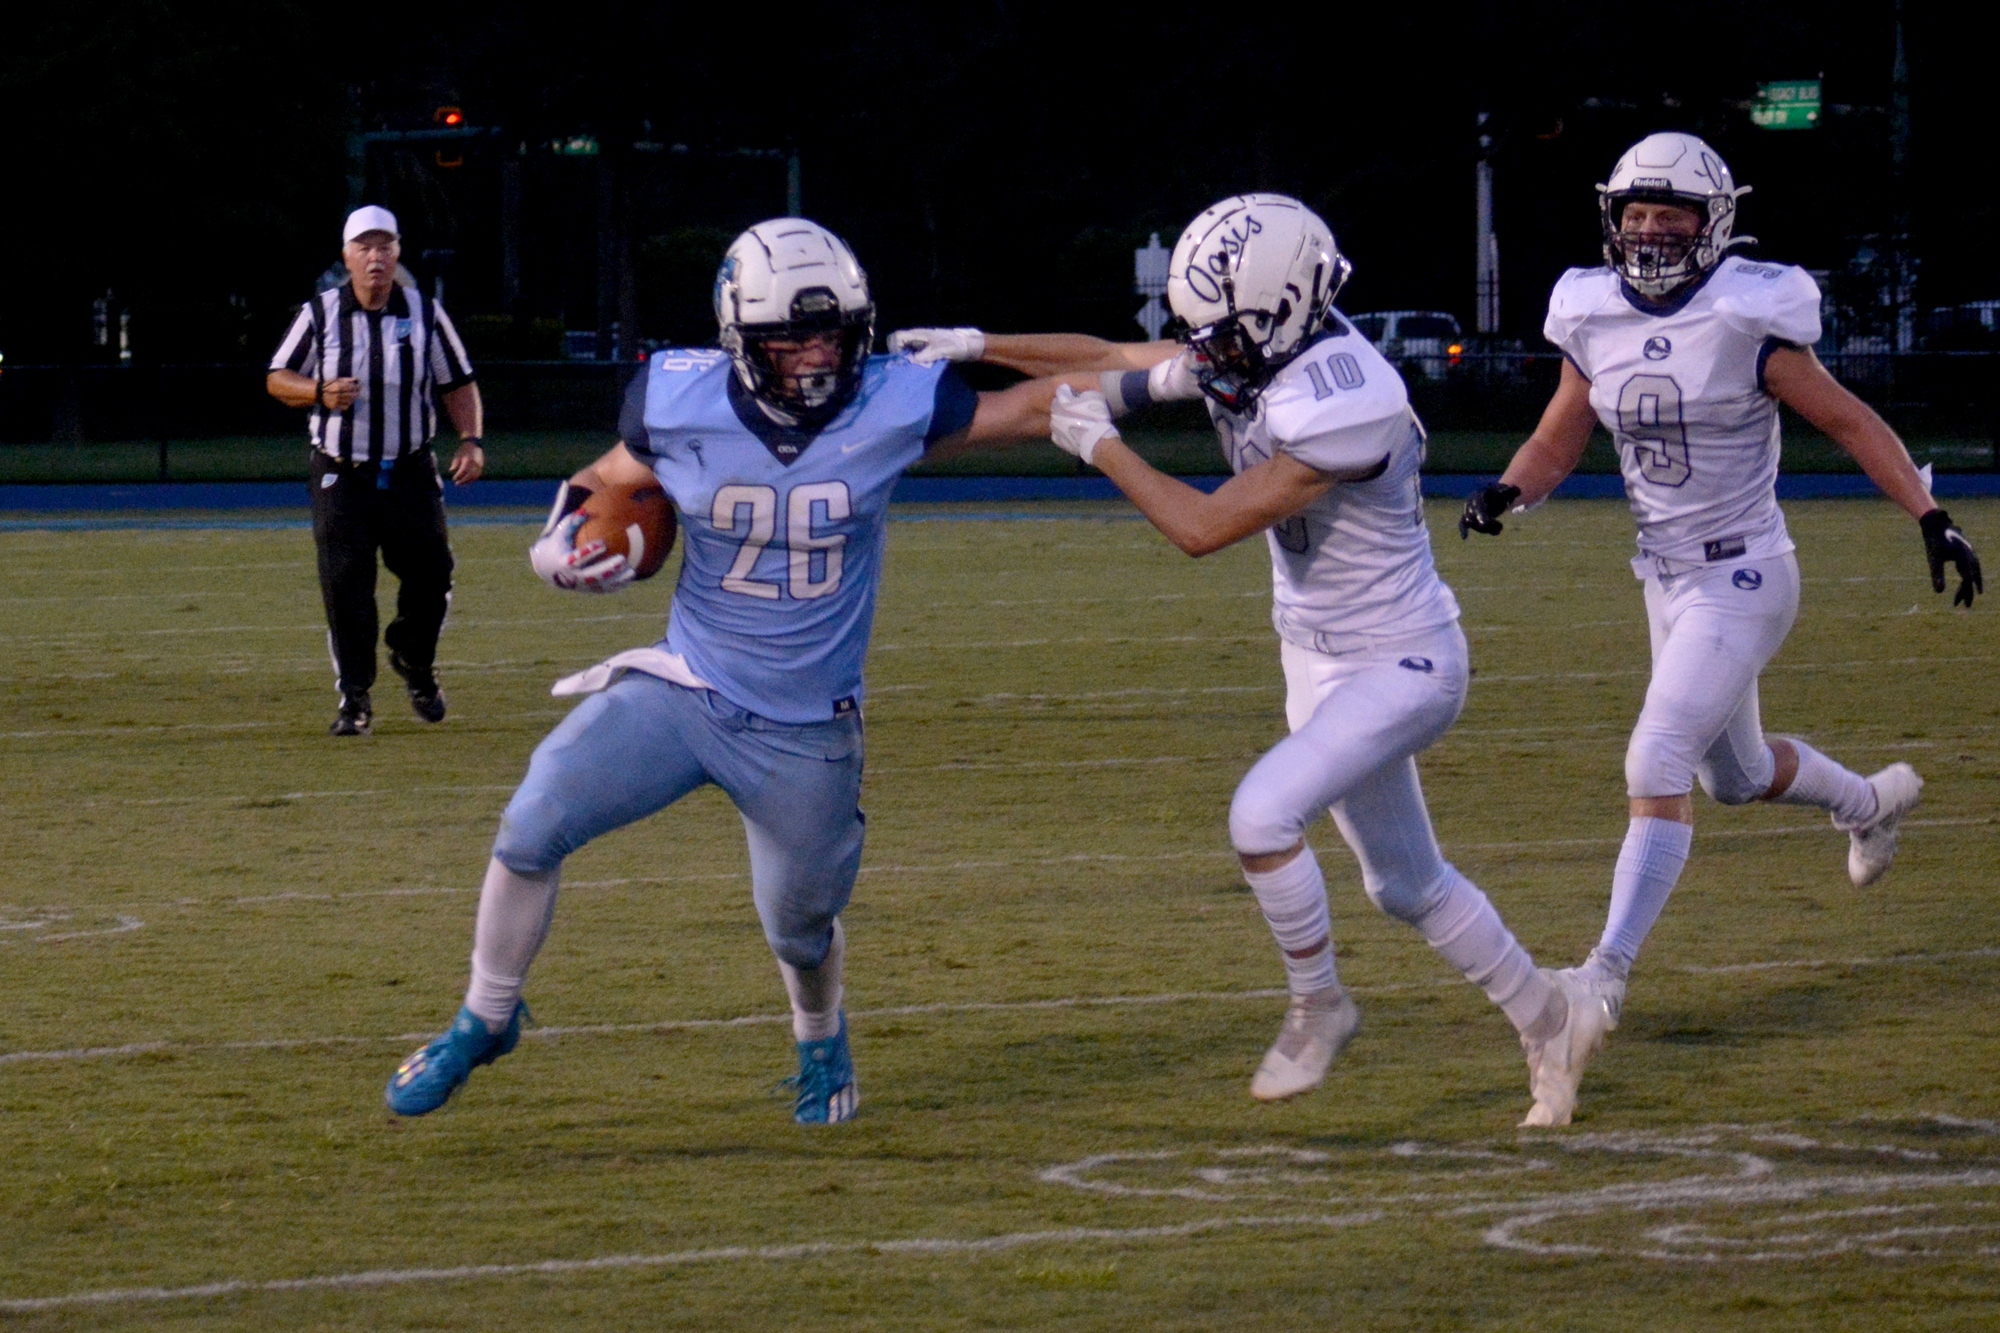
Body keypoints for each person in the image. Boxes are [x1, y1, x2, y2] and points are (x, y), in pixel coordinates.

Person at [893, 194, 1611, 1127]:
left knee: (1263, 817)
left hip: (1403, 661)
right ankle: (1553, 1016)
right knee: (1405, 883)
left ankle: (1322, 1004)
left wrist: (1103, 448)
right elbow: (1110, 360)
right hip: (1316, 658)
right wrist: (972, 346)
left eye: (1222, 333)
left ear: (1283, 309)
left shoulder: (1348, 398)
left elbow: (1201, 527)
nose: (1206, 352)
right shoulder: (1260, 342)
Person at [384, 218, 1077, 1124]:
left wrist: (1175, 373)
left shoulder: (894, 401)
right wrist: (559, 537)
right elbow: (605, 477)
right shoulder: (678, 397)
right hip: (687, 685)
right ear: (743, 339)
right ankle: (485, 1015)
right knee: (531, 819)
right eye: (792, 337)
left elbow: (1038, 406)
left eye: (831, 333)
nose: (817, 356)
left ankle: (819, 1034)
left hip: (806, 727)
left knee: (799, 924)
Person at [1457, 132, 1983, 1036]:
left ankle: (1601, 978)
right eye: (1637, 213)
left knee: (1653, 757)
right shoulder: (1589, 311)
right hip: (1664, 577)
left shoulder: (1748, 315)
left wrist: (1930, 516)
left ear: (1714, 223)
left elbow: (1852, 423)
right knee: (1733, 777)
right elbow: (1558, 435)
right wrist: (1509, 488)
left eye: (1672, 214)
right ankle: (1869, 803)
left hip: (1745, 573)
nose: (1652, 229)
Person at [267, 205, 486, 736]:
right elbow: (277, 377)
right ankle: (355, 698)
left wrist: (472, 441)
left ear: (397, 253)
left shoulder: (425, 313)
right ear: (347, 256)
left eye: (384, 245)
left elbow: (458, 382)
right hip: (342, 471)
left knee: (432, 575)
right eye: (364, 247)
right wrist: (318, 391)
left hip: (410, 468)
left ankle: (413, 659)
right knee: (346, 584)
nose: (375, 257)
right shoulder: (319, 314)